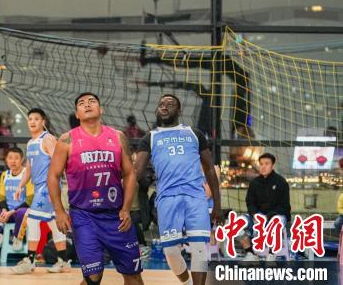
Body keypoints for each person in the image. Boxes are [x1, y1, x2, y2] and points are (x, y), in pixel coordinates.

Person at [49, 92, 144, 285]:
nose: (87, 104)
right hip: (84, 216)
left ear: (101, 109)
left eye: (92, 101)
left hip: (116, 216)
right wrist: (59, 211)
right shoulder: (67, 140)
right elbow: (53, 176)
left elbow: (130, 173)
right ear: (77, 114)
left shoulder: (118, 137)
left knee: (133, 276)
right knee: (93, 276)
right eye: (81, 103)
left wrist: (126, 209)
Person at [134, 94, 221, 285]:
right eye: (161, 104)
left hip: (195, 197)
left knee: (199, 248)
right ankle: (186, 283)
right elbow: (136, 173)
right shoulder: (150, 138)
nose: (164, 107)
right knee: (171, 252)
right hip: (167, 198)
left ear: (179, 110)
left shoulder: (194, 133)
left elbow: (209, 169)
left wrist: (217, 204)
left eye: (170, 104)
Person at [11, 108, 70, 274]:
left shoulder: (48, 139)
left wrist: (60, 188)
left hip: (48, 186)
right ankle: (64, 261)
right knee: (54, 224)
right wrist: (20, 185)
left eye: (36, 119)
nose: (32, 121)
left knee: (32, 219)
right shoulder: (30, 143)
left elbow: (61, 161)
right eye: (30, 119)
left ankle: (30, 260)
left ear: (43, 122)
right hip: (39, 187)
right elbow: (29, 168)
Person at [238, 153, 290, 261]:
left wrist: (269, 216)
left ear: (272, 165)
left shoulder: (281, 182)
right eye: (261, 164)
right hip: (257, 216)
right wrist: (255, 215)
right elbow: (250, 202)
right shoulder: (254, 183)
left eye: (267, 164)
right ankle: (250, 253)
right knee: (236, 225)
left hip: (276, 215)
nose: (263, 167)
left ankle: (271, 254)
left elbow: (284, 206)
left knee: (275, 222)